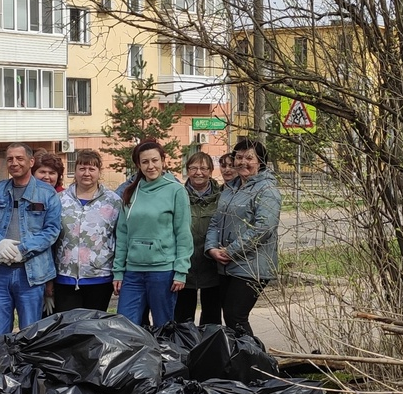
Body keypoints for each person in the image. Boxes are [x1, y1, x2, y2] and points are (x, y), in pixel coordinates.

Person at [0, 143, 61, 336]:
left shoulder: (47, 194)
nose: (14, 163)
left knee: (30, 332)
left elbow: (52, 231)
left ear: (31, 162)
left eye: (19, 158)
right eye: (10, 159)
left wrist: (21, 250)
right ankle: (2, 367)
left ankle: (26, 367)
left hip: (31, 274)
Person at [205, 137, 281, 336]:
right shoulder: (230, 188)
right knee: (230, 318)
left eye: (249, 158)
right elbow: (215, 221)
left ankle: (255, 362)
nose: (242, 162)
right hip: (225, 264)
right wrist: (212, 248)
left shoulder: (267, 190)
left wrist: (231, 251)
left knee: (235, 316)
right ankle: (240, 361)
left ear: (261, 162)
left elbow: (263, 228)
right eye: (239, 157)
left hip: (252, 266)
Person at [113, 140, 193, 328]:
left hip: (162, 272)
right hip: (132, 272)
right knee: (125, 326)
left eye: (155, 160)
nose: (151, 166)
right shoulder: (130, 192)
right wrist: (118, 271)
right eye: (145, 162)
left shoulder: (176, 190)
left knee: (163, 327)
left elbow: (182, 233)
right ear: (138, 165)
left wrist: (181, 270)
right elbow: (122, 234)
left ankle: (164, 358)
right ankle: (135, 359)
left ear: (163, 160)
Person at [51, 149, 121, 313]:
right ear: (75, 171)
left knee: (94, 329)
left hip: (100, 276)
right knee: (68, 329)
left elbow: (120, 238)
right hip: (64, 276)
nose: (86, 173)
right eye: (82, 168)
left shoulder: (113, 201)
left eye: (92, 169)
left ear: (99, 172)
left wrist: (118, 272)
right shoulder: (60, 200)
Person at [174, 151, 224, 325]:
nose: (198, 172)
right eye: (193, 168)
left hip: (212, 265)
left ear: (210, 171)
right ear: (187, 170)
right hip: (184, 267)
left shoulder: (222, 197)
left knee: (212, 318)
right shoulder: (178, 195)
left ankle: (210, 351)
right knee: (182, 317)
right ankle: (183, 350)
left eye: (203, 168)